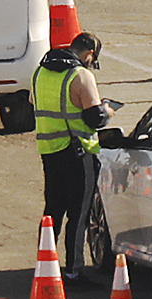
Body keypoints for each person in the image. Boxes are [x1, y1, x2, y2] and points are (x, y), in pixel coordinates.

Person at [32, 30, 108, 274]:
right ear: (89, 54)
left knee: (52, 210)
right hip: (78, 152)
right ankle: (73, 271)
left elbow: (35, 103)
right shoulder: (81, 75)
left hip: (49, 150)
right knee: (79, 214)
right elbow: (94, 117)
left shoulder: (40, 72)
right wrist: (108, 111)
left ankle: (45, 265)